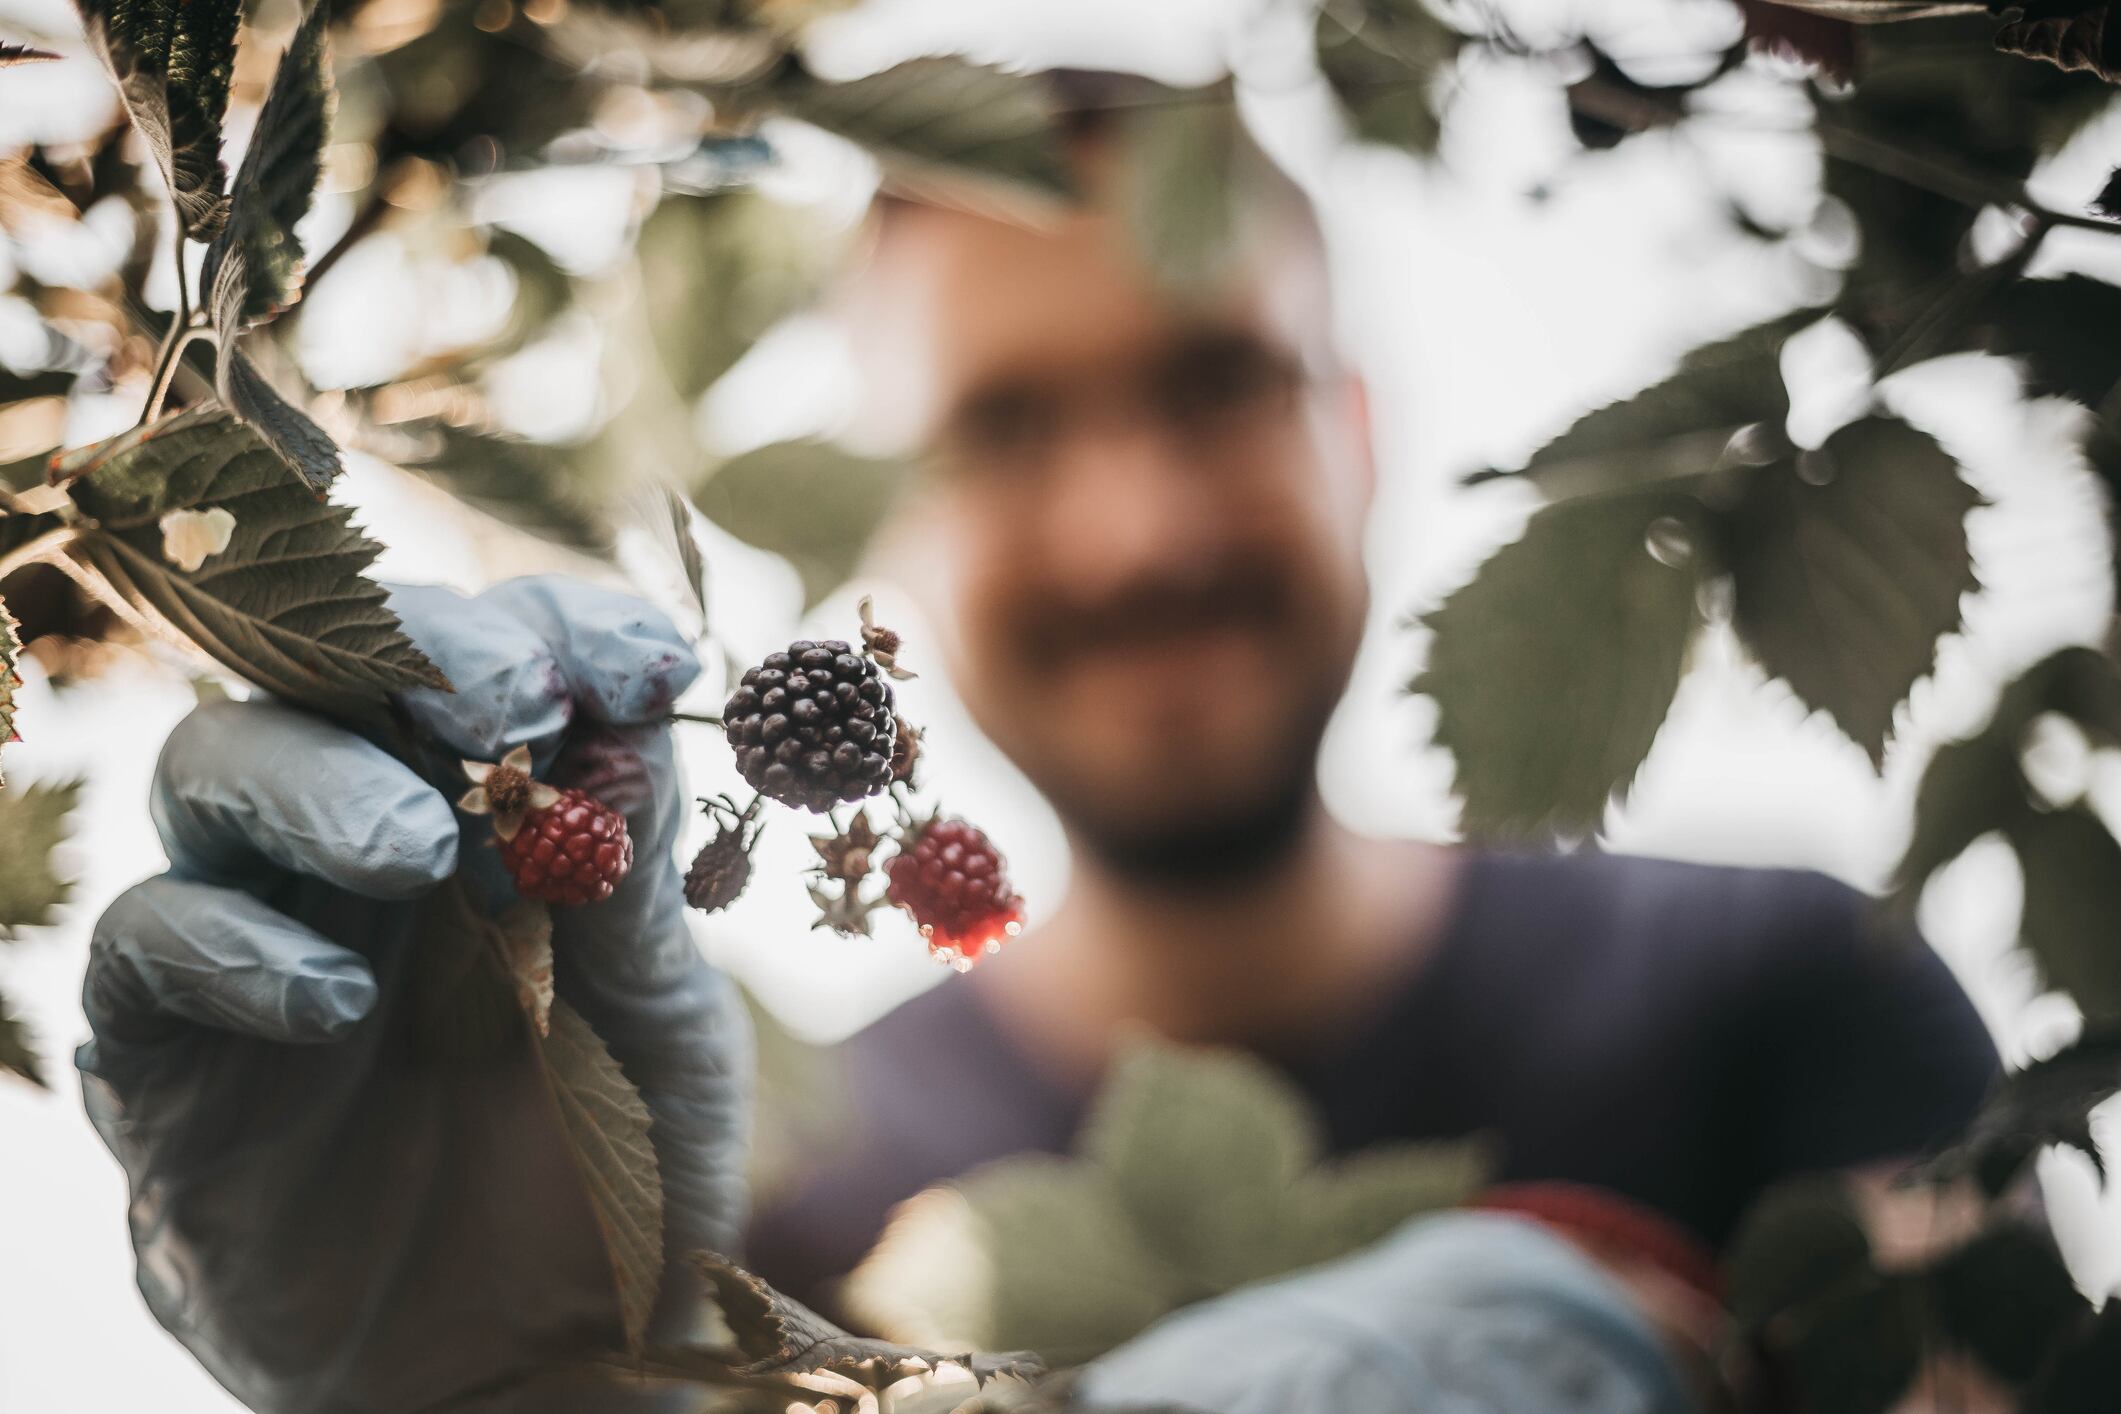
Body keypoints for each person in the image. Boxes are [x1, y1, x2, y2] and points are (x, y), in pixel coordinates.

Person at [77, 80, 1997, 1414]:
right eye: (1008, 429)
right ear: (888, 516)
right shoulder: (774, 1237)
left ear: (1354, 426)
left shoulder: (1794, 1000)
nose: (1134, 530)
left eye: (1212, 384)